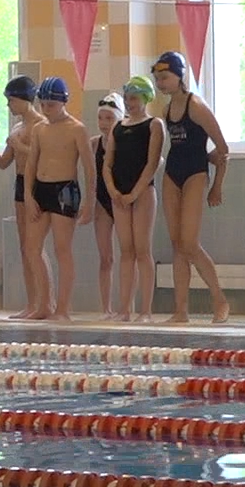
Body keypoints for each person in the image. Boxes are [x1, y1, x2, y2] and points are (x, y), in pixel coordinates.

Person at [153, 51, 230, 324]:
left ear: (179, 76)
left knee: (188, 242)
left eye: (164, 77)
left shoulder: (195, 106)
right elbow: (183, 145)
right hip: (172, 174)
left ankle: (219, 299)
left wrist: (216, 187)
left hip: (196, 175)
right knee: (177, 244)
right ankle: (181, 310)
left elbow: (222, 149)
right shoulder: (165, 110)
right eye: (157, 78)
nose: (160, 83)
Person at [27, 78, 94, 322]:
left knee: (62, 249)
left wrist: (90, 201)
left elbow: (89, 168)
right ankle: (45, 304)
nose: (46, 110)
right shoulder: (39, 129)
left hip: (65, 190)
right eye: (43, 105)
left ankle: (63, 309)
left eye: (51, 105)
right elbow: (31, 163)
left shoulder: (77, 128)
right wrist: (28, 194)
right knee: (32, 248)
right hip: (41, 190)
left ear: (63, 102)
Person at [105, 77, 164, 323]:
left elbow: (152, 164)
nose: (130, 103)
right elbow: (107, 164)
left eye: (134, 98)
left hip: (143, 193)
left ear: (146, 98)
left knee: (142, 250)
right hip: (119, 194)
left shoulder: (154, 125)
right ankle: (125, 309)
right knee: (125, 251)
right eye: (127, 98)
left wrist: (134, 193)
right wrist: (113, 191)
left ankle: (145, 311)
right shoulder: (118, 127)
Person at [0, 76, 48, 319]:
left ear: (26, 100)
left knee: (34, 247)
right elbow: (4, 162)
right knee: (24, 247)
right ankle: (32, 303)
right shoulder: (17, 128)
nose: (9, 106)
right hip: (20, 184)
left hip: (38, 186)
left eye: (12, 101)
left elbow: (46, 156)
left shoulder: (42, 124)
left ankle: (46, 302)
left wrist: (19, 145)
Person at [91, 93, 122, 317]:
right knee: (106, 258)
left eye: (109, 119)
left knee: (129, 255)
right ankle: (106, 308)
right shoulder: (94, 144)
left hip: (122, 200)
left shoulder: (126, 141)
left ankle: (126, 307)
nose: (103, 124)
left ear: (119, 119)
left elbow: (156, 161)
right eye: (101, 118)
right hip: (102, 202)